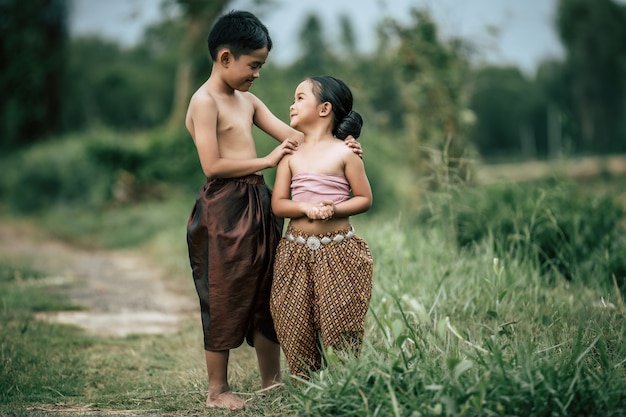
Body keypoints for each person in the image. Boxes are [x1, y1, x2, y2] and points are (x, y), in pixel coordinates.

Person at [185, 11, 362, 410]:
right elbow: (211, 166)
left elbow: (297, 137)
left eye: (261, 66)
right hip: (223, 207)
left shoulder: (247, 101)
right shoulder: (204, 101)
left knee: (270, 288)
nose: (257, 75)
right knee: (225, 291)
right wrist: (266, 162)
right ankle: (217, 390)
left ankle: (272, 381)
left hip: (261, 203)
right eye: (254, 65)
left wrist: (340, 145)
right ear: (225, 57)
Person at [270, 76, 374, 378]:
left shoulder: (346, 153)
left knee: (340, 321)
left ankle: (343, 384)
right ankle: (307, 386)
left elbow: (364, 198)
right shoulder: (290, 154)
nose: (292, 104)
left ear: (325, 108)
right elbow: (279, 203)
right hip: (294, 252)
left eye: (300, 97)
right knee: (292, 319)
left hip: (339, 251)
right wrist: (306, 208)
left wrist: (333, 209)